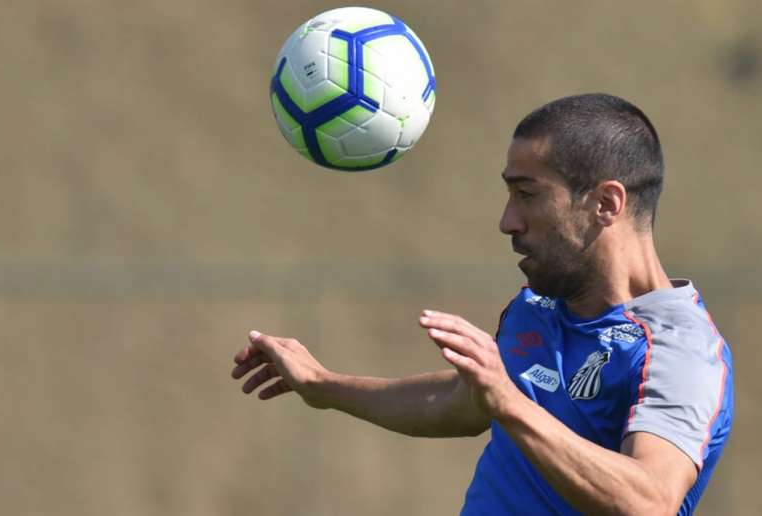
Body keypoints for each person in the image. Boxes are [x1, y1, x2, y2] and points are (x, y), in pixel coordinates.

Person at [231, 93, 733, 515]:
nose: (508, 221)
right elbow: (468, 404)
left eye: (527, 194)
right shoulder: (538, 305)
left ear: (605, 204)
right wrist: (324, 386)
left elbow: (649, 501)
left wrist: (508, 402)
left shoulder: (678, 349)